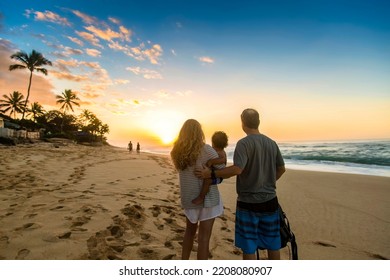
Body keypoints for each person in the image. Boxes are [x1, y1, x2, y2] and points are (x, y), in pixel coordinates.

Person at [195, 108, 286, 260]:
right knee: (272, 244)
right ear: (258, 122)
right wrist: (266, 182)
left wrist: (210, 174)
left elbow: (237, 169)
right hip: (270, 201)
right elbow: (281, 169)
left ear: (242, 123)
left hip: (248, 203)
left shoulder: (243, 144)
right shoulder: (271, 143)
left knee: (249, 246)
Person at [170, 119, 225, 260]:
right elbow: (222, 170)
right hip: (208, 200)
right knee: (204, 239)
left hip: (189, 198)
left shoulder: (176, 152)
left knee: (189, 232)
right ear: (199, 132)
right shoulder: (206, 149)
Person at [192, 131, 228, 205]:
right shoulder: (215, 150)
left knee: (207, 181)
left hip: (219, 177)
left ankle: (201, 197)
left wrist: (212, 161)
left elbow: (223, 160)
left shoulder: (221, 152)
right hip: (214, 172)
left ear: (213, 142)